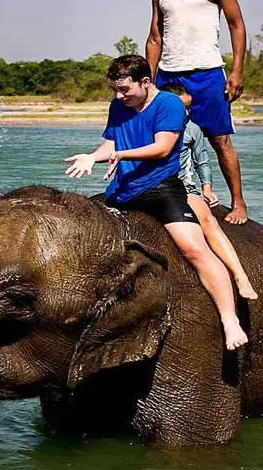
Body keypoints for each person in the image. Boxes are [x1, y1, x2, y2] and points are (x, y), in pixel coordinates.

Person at [64, 55, 247, 351]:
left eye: (125, 90)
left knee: (194, 249)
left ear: (146, 82)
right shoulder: (118, 107)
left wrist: (122, 155)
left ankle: (229, 319)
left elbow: (163, 148)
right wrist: (92, 156)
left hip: (161, 189)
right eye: (114, 90)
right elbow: (112, 143)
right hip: (123, 191)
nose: (119, 96)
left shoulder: (169, 104)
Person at [147, 0, 251, 224]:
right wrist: (149, 81)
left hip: (207, 74)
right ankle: (162, 195)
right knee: (163, 140)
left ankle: (238, 203)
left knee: (219, 141)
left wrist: (236, 70)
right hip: (168, 74)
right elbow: (155, 38)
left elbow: (236, 25)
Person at [178, 111, 258, 300]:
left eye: (189, 108)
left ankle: (240, 276)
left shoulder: (192, 129)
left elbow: (202, 161)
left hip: (184, 189)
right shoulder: (151, 125)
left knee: (208, 222)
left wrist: (206, 188)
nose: (187, 113)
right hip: (154, 186)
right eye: (182, 108)